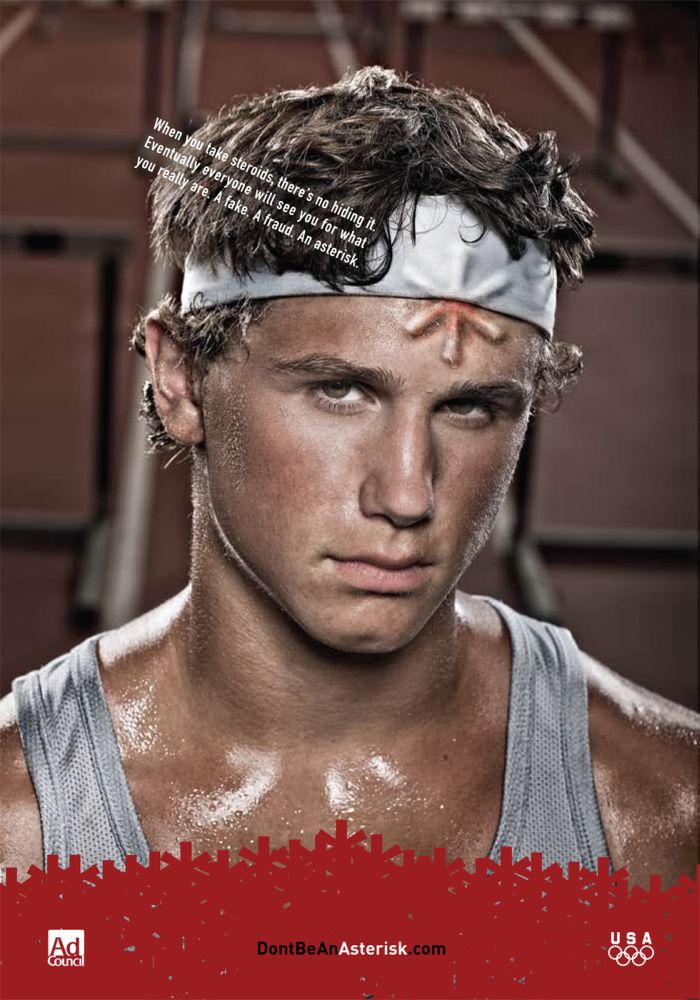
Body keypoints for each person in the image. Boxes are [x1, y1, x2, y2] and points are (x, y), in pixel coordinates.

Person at [1, 68, 697, 888]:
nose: (407, 497)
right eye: (341, 391)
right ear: (181, 379)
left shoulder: (664, 816)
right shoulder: (18, 827)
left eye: (470, 407)